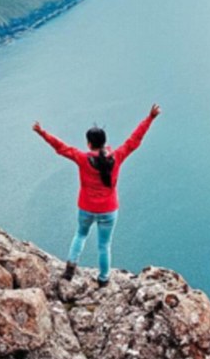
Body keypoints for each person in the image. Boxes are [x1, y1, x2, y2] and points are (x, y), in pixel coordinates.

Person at [33, 104, 161, 286]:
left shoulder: (82, 158)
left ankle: (69, 270)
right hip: (109, 210)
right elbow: (134, 140)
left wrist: (42, 132)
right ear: (104, 142)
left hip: (86, 207)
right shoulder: (117, 156)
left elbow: (61, 147)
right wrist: (150, 118)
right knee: (104, 245)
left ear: (89, 143)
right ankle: (103, 279)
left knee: (80, 235)